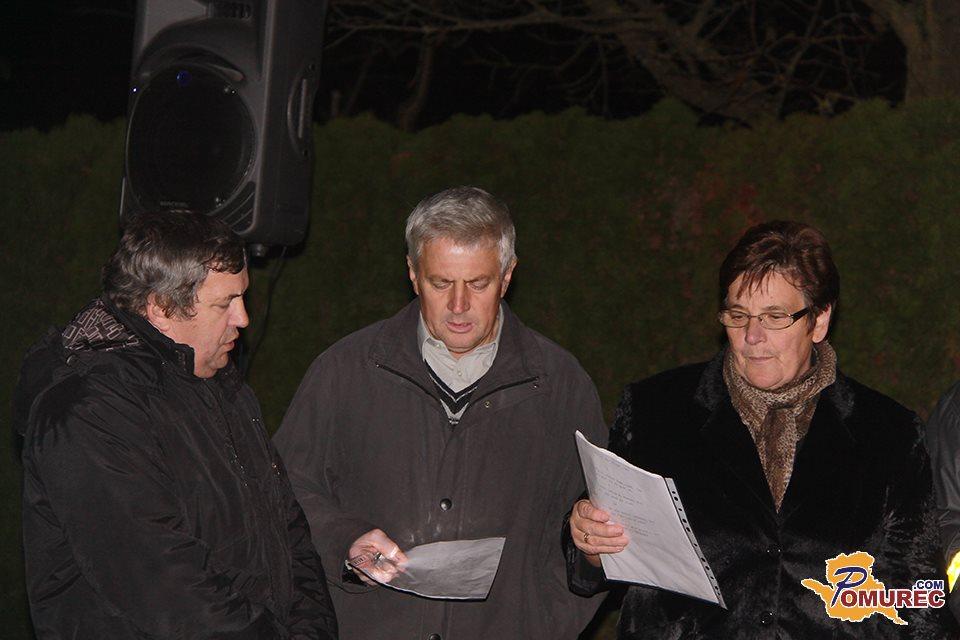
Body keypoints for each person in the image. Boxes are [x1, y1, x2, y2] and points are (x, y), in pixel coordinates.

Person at [567, 220, 950, 638]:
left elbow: (921, 601)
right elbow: (587, 569)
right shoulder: (657, 411)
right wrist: (589, 544)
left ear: (819, 320)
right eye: (738, 316)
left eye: (774, 317)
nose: (752, 336)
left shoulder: (888, 433)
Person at [273, 186, 607, 639]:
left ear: (507, 276)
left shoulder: (561, 385)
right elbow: (282, 490)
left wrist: (549, 616)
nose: (458, 306)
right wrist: (343, 540)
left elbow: (593, 529)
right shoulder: (345, 371)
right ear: (413, 274)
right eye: (441, 283)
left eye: (478, 284)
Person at [14, 212, 338, 639]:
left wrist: (311, 630)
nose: (243, 319)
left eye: (243, 298)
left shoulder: (223, 387)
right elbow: (162, 582)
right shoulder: (88, 411)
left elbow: (288, 531)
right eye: (224, 304)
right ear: (162, 309)